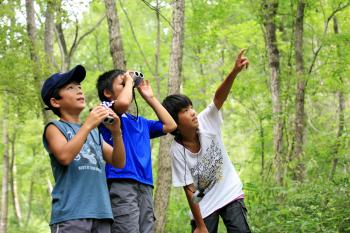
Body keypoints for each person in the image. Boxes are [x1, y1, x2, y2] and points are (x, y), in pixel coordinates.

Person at [162, 50, 251, 233]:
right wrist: (201, 225)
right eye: (185, 111)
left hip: (229, 191)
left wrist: (234, 71)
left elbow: (219, 98)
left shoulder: (206, 120)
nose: (192, 112)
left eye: (191, 108)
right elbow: (189, 189)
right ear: (175, 121)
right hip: (204, 202)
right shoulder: (177, 150)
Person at [41, 65, 126, 233]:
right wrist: (88, 124)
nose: (79, 91)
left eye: (79, 87)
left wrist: (116, 133)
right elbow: (65, 156)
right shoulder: (54, 128)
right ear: (55, 101)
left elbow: (119, 162)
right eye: (71, 88)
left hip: (102, 214)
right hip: (70, 215)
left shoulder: (94, 133)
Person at [96, 69, 177, 233]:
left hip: (145, 183)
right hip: (121, 181)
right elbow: (123, 104)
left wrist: (150, 98)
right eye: (123, 83)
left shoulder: (141, 122)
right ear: (107, 92)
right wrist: (130, 81)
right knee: (127, 228)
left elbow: (171, 125)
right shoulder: (106, 111)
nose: (129, 86)